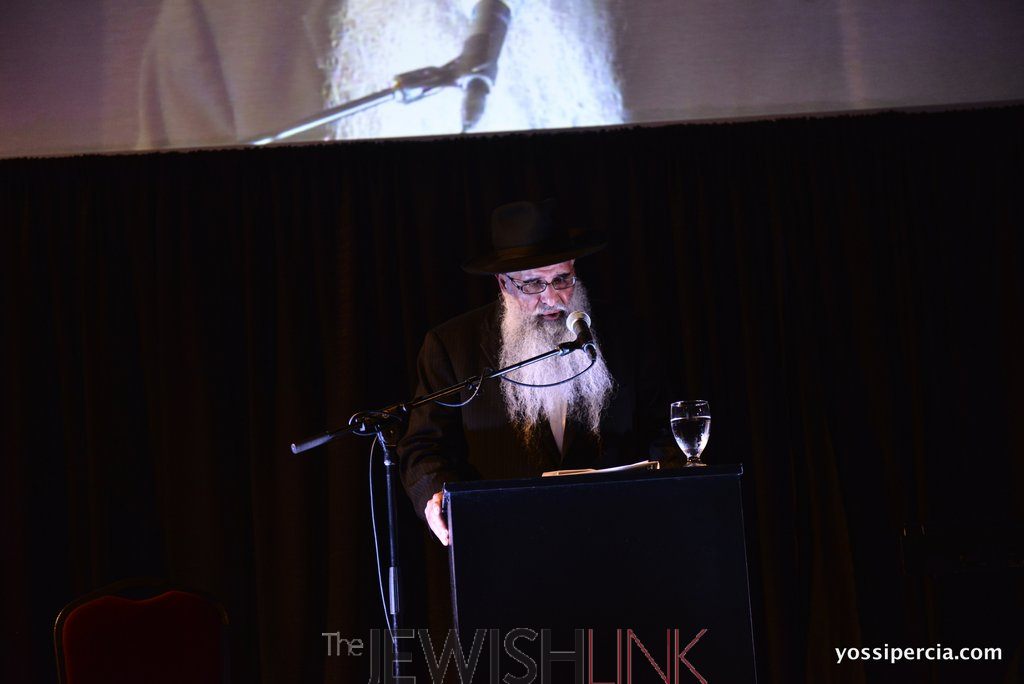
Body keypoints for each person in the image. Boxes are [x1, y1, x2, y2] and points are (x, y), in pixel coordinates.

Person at [398, 200, 675, 546]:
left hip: (618, 535)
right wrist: (436, 495)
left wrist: (664, 498)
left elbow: (665, 428)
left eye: (561, 279)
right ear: (503, 284)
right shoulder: (452, 346)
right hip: (502, 541)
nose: (552, 298)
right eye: (532, 284)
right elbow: (424, 445)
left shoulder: (625, 334)